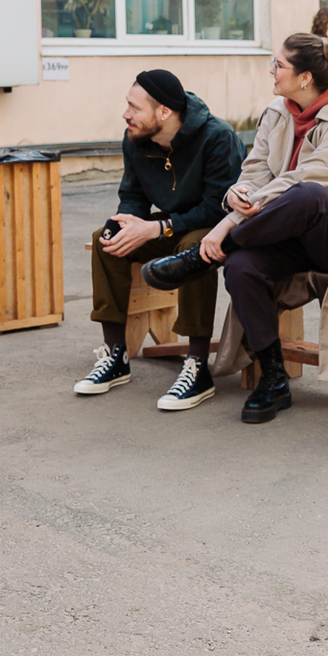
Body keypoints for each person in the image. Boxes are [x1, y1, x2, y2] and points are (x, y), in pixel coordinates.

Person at [141, 33, 328, 424]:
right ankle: (273, 377)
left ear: (305, 78)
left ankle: (205, 257)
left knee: (309, 195)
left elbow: (308, 179)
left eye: (279, 65)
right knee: (241, 268)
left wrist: (226, 225)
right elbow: (255, 171)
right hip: (281, 226)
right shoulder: (277, 110)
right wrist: (238, 195)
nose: (272, 70)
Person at [76, 69, 246, 410]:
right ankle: (115, 355)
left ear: (164, 112)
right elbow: (132, 195)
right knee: (106, 238)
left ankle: (197, 364)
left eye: (134, 107)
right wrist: (128, 222)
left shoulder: (217, 137)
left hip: (220, 229)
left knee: (193, 248)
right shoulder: (135, 137)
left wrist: (157, 228)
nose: (126, 114)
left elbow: (218, 209)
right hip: (172, 225)